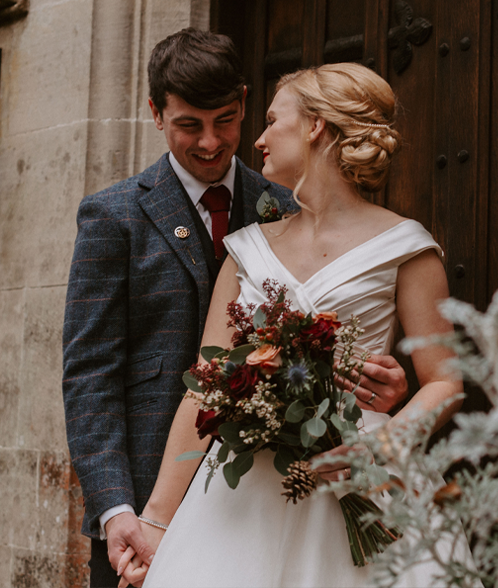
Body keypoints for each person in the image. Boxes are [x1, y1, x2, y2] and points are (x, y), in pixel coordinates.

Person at [62, 32, 409, 588]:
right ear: (156, 113)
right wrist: (117, 509)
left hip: (278, 497)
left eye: (225, 120)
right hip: (143, 506)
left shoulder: (282, 198)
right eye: (188, 125)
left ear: (246, 103)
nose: (210, 142)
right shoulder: (112, 216)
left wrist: (377, 386)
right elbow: (90, 374)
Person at [117, 62, 474, 588]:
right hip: (245, 494)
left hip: (363, 476)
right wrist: (156, 520)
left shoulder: (406, 247)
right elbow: (205, 390)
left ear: (314, 127)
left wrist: (382, 447)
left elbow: (446, 383)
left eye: (270, 120)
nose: (258, 139)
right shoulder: (246, 251)